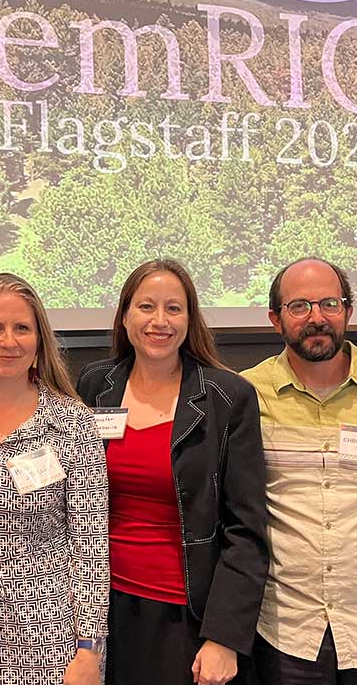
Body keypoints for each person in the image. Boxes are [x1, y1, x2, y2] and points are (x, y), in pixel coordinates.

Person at [76, 259, 268, 685]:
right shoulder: (95, 385)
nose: (159, 321)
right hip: (101, 611)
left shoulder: (228, 397)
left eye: (173, 309)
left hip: (187, 616)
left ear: (190, 318)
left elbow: (246, 528)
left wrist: (224, 637)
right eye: (146, 307)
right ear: (125, 315)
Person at [0, 272, 109, 685]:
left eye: (21, 328)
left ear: (39, 339)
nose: (8, 342)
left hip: (50, 633)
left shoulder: (70, 421)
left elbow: (92, 545)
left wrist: (89, 651)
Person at [241, 258, 357, 684]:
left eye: (329, 303)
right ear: (275, 319)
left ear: (348, 311)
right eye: (299, 307)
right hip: (288, 630)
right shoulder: (244, 395)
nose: (316, 318)